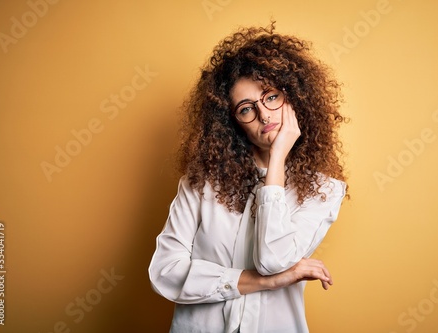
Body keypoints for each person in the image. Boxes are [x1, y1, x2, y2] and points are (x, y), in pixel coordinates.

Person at [148, 22, 348, 333]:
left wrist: (278, 156)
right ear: (233, 123)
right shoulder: (200, 184)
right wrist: (267, 283)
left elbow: (273, 259)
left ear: (294, 97)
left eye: (271, 97)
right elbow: (165, 272)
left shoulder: (323, 190)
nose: (265, 115)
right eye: (246, 109)